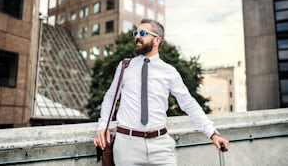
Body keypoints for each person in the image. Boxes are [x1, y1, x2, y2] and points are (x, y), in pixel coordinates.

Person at [94, 19, 229, 165]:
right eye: (136, 33)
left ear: (157, 40)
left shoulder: (169, 71)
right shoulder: (125, 66)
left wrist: (213, 134)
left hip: (161, 145)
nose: (137, 37)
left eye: (143, 33)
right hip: (127, 145)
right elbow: (110, 98)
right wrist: (102, 127)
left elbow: (189, 104)